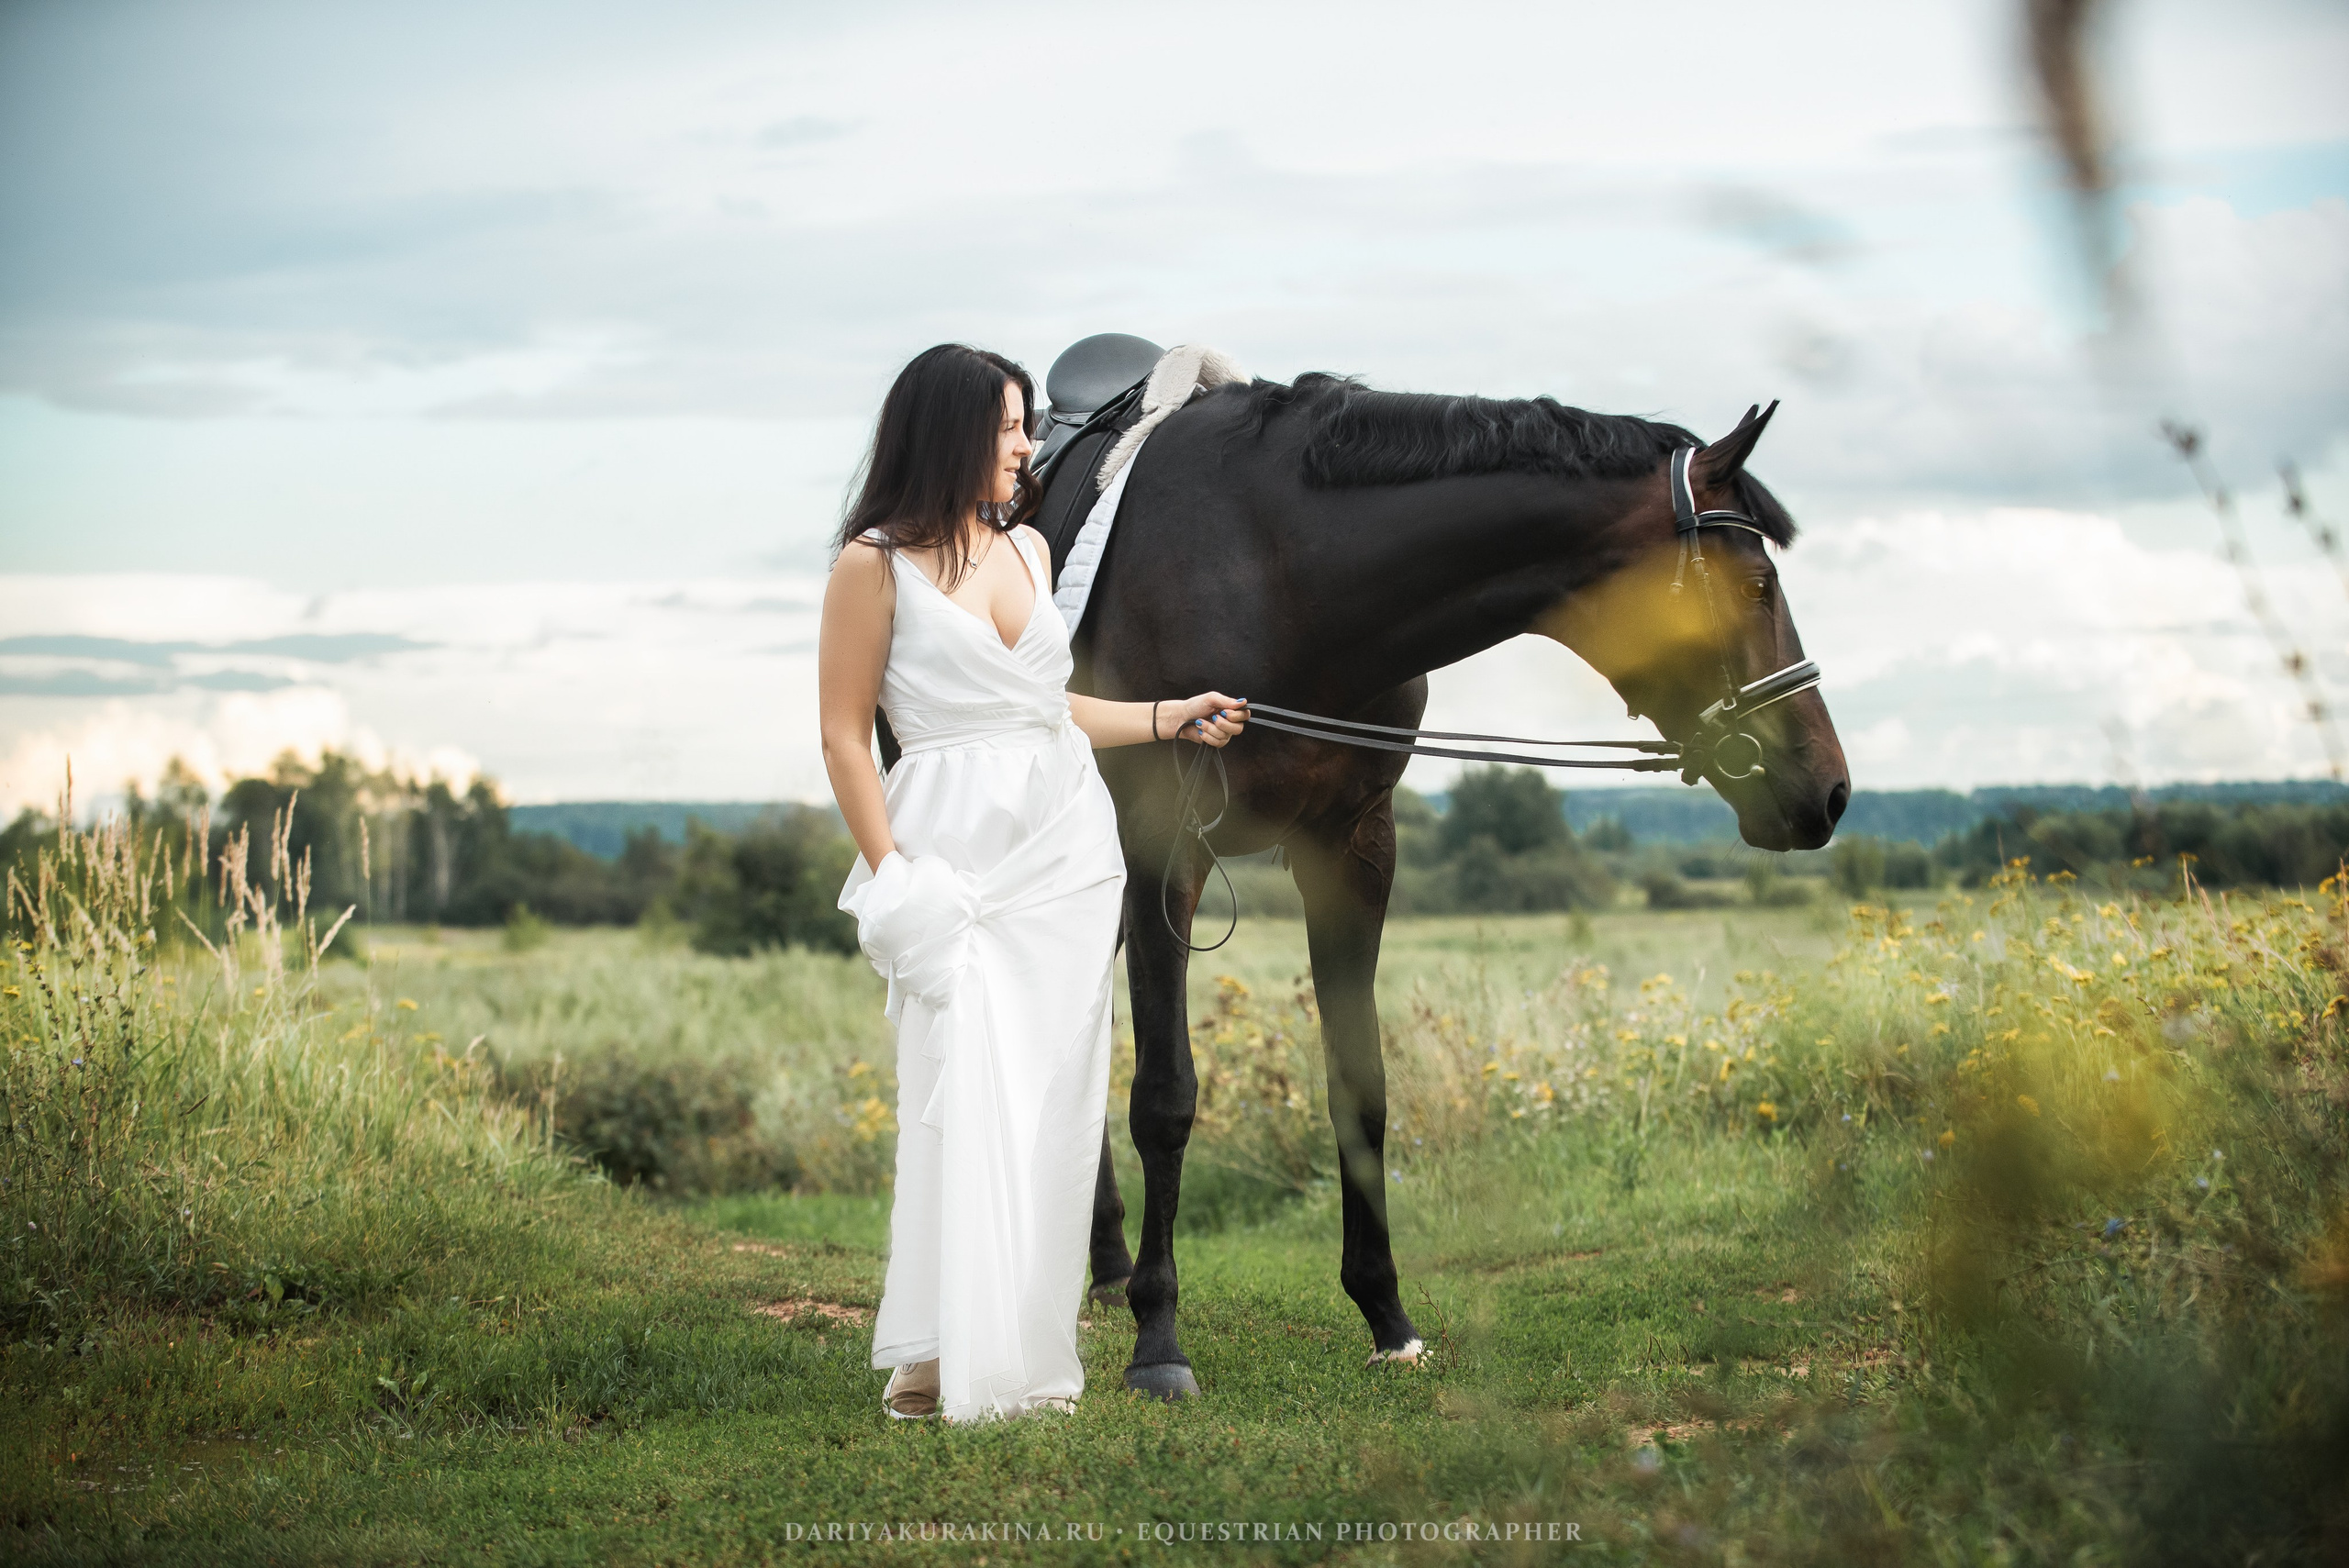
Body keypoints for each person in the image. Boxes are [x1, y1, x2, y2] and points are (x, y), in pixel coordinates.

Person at [817, 343, 1246, 1423]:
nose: (1028, 444)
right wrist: (895, 874)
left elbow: (1045, 709)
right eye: (1011, 426)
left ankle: (1026, 1352)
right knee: (957, 1091)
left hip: (1063, 848)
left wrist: (1168, 713)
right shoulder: (869, 565)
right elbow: (841, 737)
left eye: (1024, 425)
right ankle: (937, 1348)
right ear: (951, 434)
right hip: (950, 851)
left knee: (1053, 1100)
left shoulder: (1025, 551)